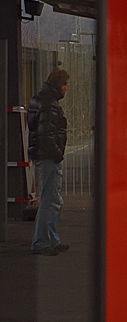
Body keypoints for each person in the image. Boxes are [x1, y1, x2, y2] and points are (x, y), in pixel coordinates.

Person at [28, 68, 70, 256]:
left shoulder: (40, 99)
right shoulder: (49, 104)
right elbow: (47, 134)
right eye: (66, 85)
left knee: (53, 198)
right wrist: (57, 153)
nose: (66, 88)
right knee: (50, 200)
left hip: (42, 155)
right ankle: (42, 242)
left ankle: (51, 239)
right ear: (60, 85)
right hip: (49, 157)